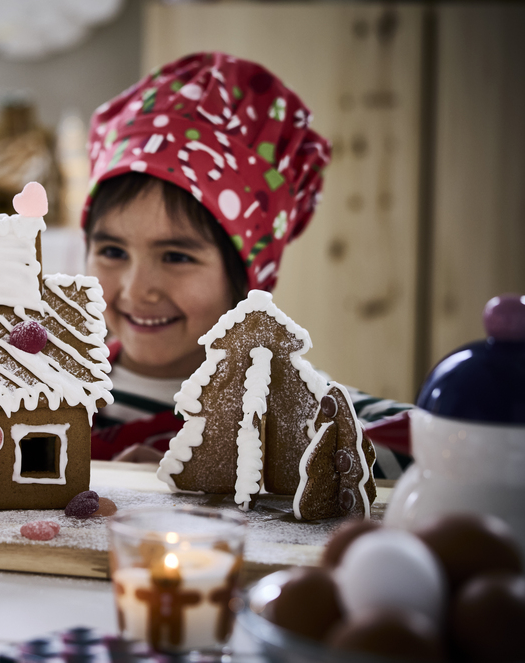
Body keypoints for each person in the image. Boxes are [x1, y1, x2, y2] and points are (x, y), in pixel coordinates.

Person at [83, 52, 411, 476]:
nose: (136, 289)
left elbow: (454, 442)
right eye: (113, 251)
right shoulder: (52, 390)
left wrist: (266, 469)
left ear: (248, 280)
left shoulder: (301, 413)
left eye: (177, 256)